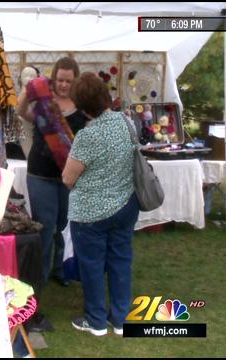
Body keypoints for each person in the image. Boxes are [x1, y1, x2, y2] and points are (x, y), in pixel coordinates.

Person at [62, 72, 140, 337]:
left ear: (82, 105)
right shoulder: (126, 123)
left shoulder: (87, 136)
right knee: (121, 260)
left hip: (91, 213)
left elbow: (67, 178)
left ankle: (96, 321)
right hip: (126, 204)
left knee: (92, 265)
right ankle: (120, 320)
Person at [16, 57, 89, 290]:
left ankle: (60, 269)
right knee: (45, 227)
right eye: (60, 80)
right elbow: (22, 112)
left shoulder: (82, 105)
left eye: (68, 81)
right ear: (53, 78)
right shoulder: (44, 102)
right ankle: (41, 276)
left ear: (75, 81)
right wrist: (29, 91)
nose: (64, 85)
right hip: (41, 175)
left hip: (68, 178)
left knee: (63, 226)